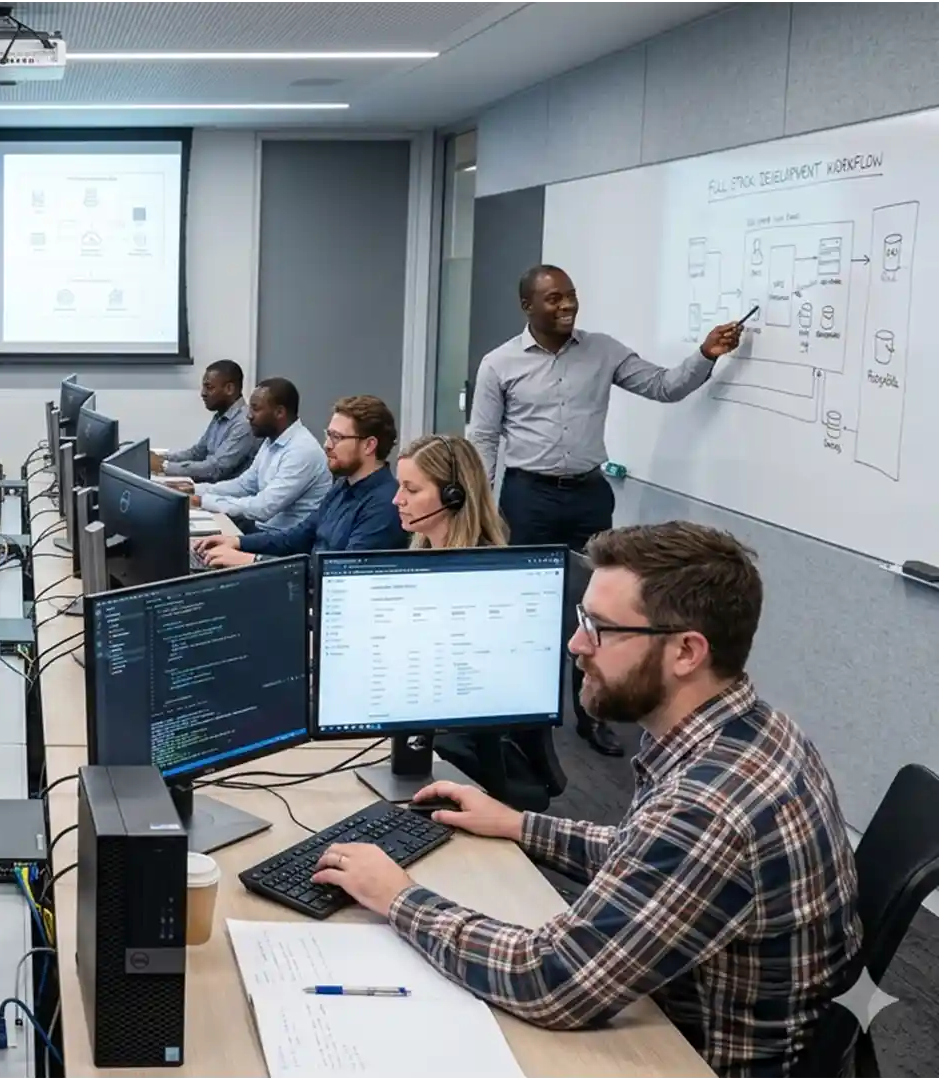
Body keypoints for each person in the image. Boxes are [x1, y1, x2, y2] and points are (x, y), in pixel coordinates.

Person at [309, 521, 858, 1080]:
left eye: (599, 628)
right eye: (581, 621)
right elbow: (647, 855)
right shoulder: (754, 728)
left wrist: (397, 897)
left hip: (695, 1058)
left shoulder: (708, 807)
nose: (575, 644)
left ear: (687, 651)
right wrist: (520, 825)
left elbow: (550, 981)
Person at [468, 264, 744, 757]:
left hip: (587, 495)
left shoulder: (604, 350)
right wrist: (480, 507)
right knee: (527, 608)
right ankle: (518, 715)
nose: (567, 305)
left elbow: (664, 386)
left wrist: (705, 355)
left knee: (595, 612)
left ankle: (590, 712)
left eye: (571, 296)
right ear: (527, 306)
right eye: (554, 299)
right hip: (527, 497)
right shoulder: (499, 364)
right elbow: (484, 438)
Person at [196, 394, 407, 567]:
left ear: (369, 446)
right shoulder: (343, 486)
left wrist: (252, 561)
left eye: (337, 437)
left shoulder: (384, 504)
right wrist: (237, 542)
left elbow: (341, 574)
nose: (327, 445)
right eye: (328, 435)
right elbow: (296, 537)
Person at [182, 377, 330, 534]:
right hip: (263, 530)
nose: (249, 416)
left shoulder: (301, 451)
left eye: (255, 409)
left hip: (284, 542)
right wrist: (194, 490)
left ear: (279, 412)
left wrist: (203, 501)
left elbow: (263, 508)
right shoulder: (271, 440)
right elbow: (245, 484)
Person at [391, 432, 509, 550]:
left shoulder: (485, 565)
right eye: (400, 486)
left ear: (453, 497)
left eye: (412, 490)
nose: (397, 500)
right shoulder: (417, 559)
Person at [150, 359, 258, 482]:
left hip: (224, 495)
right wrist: (161, 458)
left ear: (229, 389)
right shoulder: (220, 416)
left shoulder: (244, 423)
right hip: (207, 489)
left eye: (209, 387)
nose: (203, 393)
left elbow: (216, 468)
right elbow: (197, 453)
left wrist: (164, 466)